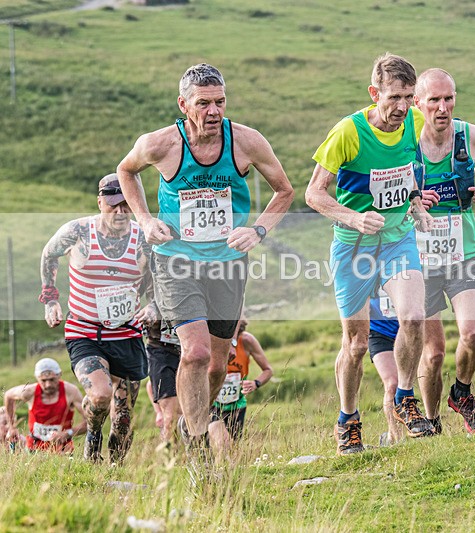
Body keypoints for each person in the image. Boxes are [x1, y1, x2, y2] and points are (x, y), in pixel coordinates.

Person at [116, 63, 294, 451]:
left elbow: (284, 190)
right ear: (183, 105)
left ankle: (192, 423)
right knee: (194, 353)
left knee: (216, 365)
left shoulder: (246, 141)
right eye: (203, 103)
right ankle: (198, 442)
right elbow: (126, 171)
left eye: (220, 102)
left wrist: (258, 230)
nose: (214, 111)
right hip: (176, 261)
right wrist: (145, 220)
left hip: (227, 263)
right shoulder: (160, 144)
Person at [305, 52, 435, 455]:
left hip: (397, 239)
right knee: (357, 345)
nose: (401, 107)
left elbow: (409, 167)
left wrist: (415, 201)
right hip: (354, 247)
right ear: (373, 93)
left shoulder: (414, 121)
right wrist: (352, 218)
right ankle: (348, 419)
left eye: (409, 97)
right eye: (394, 97)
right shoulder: (348, 132)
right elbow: (314, 194)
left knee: (413, 317)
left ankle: (405, 399)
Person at [39, 174, 155, 462]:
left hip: (127, 334)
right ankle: (92, 437)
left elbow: (158, 280)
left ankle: (114, 473)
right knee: (100, 395)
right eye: (114, 205)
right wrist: (51, 299)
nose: (120, 212)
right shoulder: (78, 231)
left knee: (124, 418)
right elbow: (49, 255)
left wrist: (154, 306)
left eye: (126, 205)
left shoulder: (144, 238)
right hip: (85, 331)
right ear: (100, 202)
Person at [413, 68, 475, 435]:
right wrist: (413, 203)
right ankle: (431, 421)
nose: (443, 107)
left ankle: (461, 393)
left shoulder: (470, 135)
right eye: (434, 100)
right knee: (433, 353)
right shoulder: (403, 142)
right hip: (419, 258)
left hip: (464, 251)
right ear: (418, 103)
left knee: (474, 333)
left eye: (449, 99)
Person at [3, 358, 87, 453]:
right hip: (33, 448)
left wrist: (66, 433)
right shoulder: (29, 391)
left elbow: (89, 422)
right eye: (43, 380)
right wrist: (11, 427)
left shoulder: (71, 392)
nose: (48, 385)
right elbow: (8, 395)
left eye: (52, 380)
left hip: (62, 449)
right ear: (37, 378)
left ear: (59, 375)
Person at [209, 317, 273, 441]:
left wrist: (256, 383)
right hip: (212, 404)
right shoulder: (211, 339)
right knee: (222, 442)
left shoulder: (247, 340)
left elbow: (268, 370)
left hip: (237, 405)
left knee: (233, 448)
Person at [367, 290, 405, 446]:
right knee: (392, 384)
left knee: (406, 383)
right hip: (378, 332)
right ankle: (398, 439)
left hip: (407, 331)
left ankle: (390, 437)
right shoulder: (365, 268)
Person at [144, 318, 182, 442]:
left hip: (194, 347)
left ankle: (192, 457)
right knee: (170, 417)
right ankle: (169, 457)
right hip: (160, 346)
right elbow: (150, 385)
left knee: (187, 416)